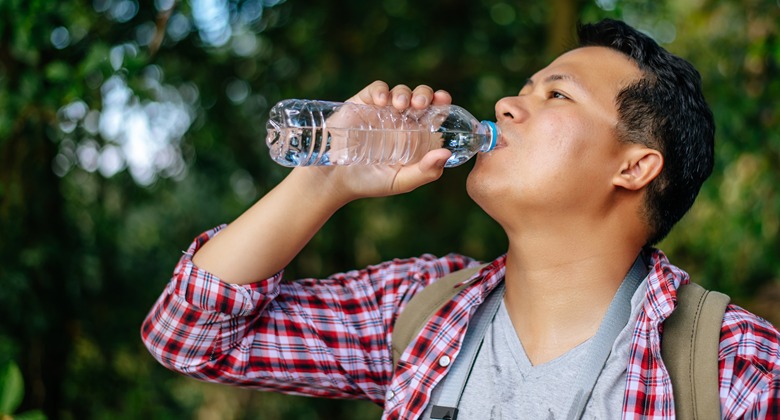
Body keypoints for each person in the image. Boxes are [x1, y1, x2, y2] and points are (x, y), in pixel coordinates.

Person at [141, 18, 779, 419]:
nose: (505, 104)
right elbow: (189, 336)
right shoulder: (421, 307)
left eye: (555, 94)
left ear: (635, 168)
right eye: (522, 89)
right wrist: (324, 178)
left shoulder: (734, 369)